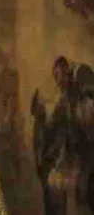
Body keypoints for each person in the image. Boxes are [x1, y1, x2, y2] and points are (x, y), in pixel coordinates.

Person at [31, 56, 94, 214]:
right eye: (56, 78)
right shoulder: (63, 102)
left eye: (61, 76)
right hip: (75, 159)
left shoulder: (82, 93)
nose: (59, 82)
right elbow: (53, 127)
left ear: (68, 73)